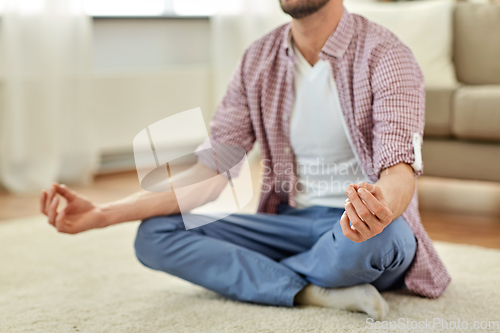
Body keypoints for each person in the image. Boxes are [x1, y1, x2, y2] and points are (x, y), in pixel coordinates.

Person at [40, 0, 451, 321]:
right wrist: (102, 213)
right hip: (286, 222)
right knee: (154, 236)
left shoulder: (386, 54)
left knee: (378, 242)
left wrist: (377, 211)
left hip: (361, 231)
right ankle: (308, 290)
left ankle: (263, 276)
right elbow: (212, 168)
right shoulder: (259, 59)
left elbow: (398, 170)